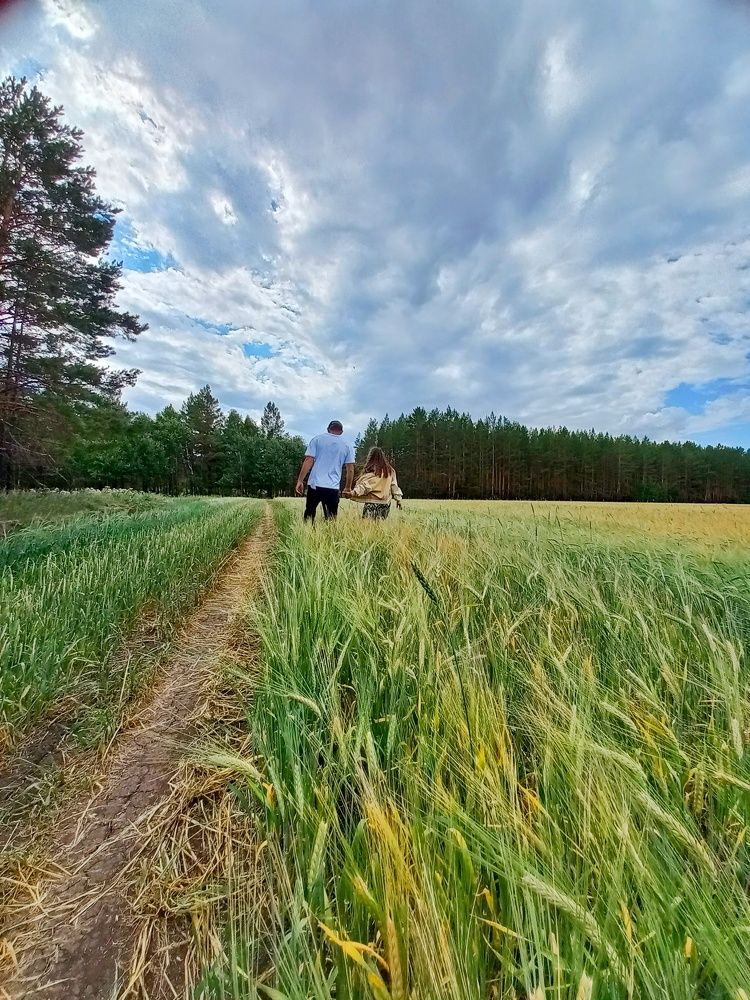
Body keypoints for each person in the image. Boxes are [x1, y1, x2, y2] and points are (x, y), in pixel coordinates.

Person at [295, 420, 355, 522]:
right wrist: (348, 487)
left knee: (309, 513)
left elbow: (308, 460)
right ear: (341, 432)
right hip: (332, 487)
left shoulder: (317, 439)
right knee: (331, 519)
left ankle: (306, 534)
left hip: (315, 485)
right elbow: (350, 469)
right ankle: (329, 536)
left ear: (328, 429)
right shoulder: (347, 445)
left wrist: (300, 481)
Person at [344, 446, 403, 519]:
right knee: (380, 528)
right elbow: (394, 487)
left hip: (372, 503)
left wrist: (353, 493)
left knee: (367, 528)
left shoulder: (372, 471)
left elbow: (365, 486)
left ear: (370, 457)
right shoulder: (390, 471)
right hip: (385, 504)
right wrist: (398, 500)